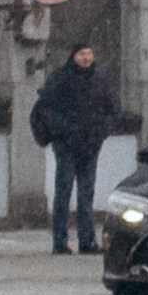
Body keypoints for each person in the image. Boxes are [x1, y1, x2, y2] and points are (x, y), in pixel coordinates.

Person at [34, 43, 117, 255]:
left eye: (89, 53)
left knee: (86, 194)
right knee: (64, 191)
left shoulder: (100, 79)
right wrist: (63, 131)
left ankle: (87, 241)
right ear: (74, 56)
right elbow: (46, 109)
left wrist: (101, 131)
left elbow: (110, 109)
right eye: (82, 54)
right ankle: (60, 241)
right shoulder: (60, 78)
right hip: (67, 145)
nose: (86, 58)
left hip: (90, 144)